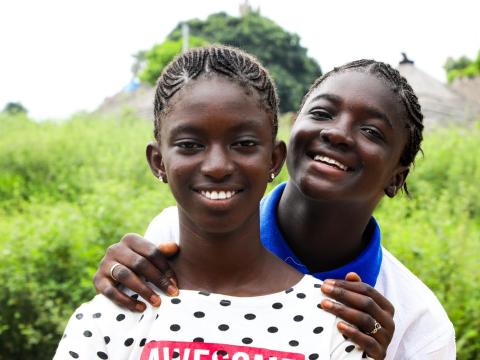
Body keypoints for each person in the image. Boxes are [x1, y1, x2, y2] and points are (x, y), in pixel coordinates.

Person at [93, 58, 457, 359]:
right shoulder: (177, 234)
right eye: (322, 113)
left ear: (397, 177)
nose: (338, 133)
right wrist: (118, 289)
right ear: (289, 132)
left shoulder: (417, 321)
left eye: (372, 132)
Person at [54, 45, 366, 359]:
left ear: (274, 160)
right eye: (190, 145)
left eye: (243, 144)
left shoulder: (333, 327)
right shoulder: (108, 319)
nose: (217, 166)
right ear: (158, 162)